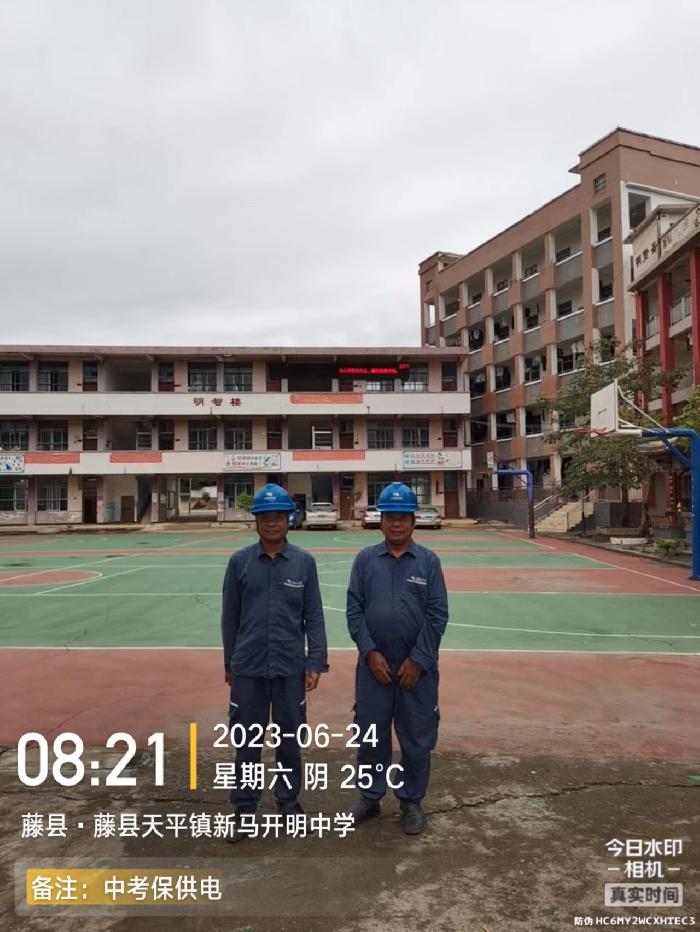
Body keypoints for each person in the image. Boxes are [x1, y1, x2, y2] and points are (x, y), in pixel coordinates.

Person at [221, 483, 328, 841]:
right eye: (265, 517)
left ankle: (288, 802)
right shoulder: (239, 563)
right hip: (248, 668)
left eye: (278, 517)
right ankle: (244, 809)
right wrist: (229, 663)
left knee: (289, 740)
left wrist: (315, 661)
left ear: (288, 520)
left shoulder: (303, 563)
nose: (271, 523)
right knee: (247, 741)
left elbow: (314, 615)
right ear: (256, 521)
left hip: (289, 668)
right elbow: (229, 617)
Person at [346, 481, 448, 835]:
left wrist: (419, 660)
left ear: (413, 521)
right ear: (381, 520)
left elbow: (437, 614)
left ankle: (411, 801)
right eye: (390, 517)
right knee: (370, 735)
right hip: (373, 669)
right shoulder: (365, 561)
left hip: (416, 671)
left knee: (416, 738)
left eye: (403, 517)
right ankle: (370, 797)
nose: (396, 523)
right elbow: (354, 611)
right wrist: (369, 652)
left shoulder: (429, 562)